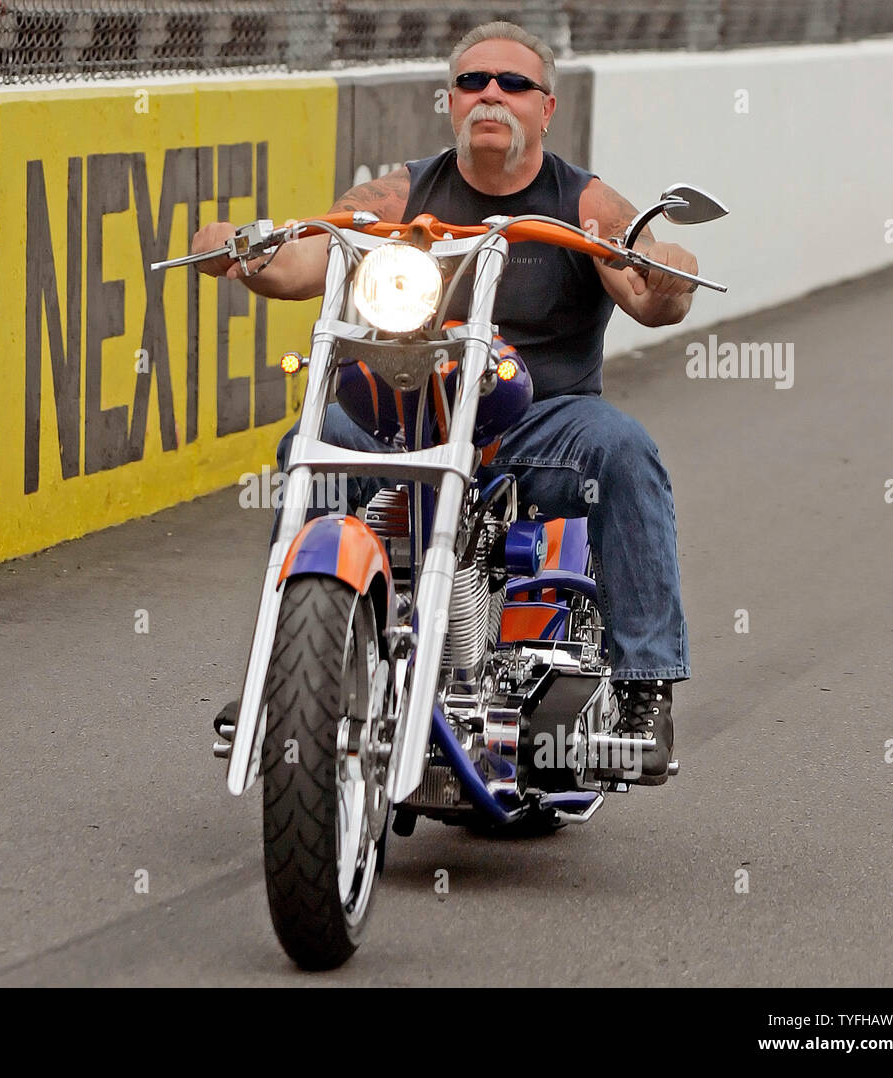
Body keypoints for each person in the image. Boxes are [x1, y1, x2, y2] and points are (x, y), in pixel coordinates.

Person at [193, 20, 699, 784]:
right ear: (451, 100)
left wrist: (670, 269)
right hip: (408, 414)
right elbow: (311, 255)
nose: (491, 94)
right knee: (310, 442)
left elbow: (650, 291)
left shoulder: (580, 201)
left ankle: (643, 693)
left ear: (546, 107)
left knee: (625, 450)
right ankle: (282, 674)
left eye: (513, 84)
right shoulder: (402, 192)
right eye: (473, 81)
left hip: (539, 423)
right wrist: (242, 250)